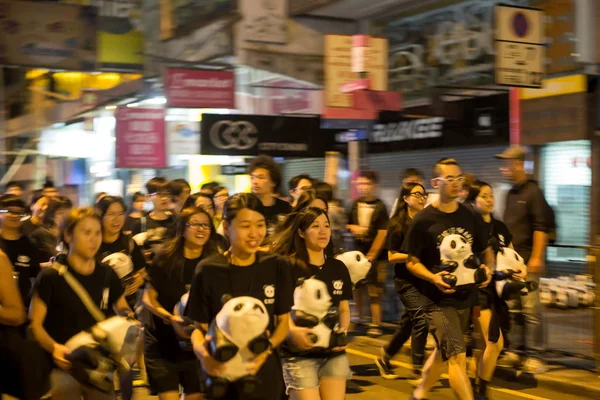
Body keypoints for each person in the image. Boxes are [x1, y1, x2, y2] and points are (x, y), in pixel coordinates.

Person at [187, 193, 293, 400]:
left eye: (260, 224)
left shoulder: (276, 265)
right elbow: (197, 327)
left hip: (263, 373)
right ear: (227, 227)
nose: (254, 233)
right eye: (245, 226)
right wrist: (204, 356)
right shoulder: (208, 269)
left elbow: (283, 323)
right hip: (221, 372)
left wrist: (266, 350)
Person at [404, 158, 492, 400]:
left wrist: (488, 269)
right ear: (436, 182)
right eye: (449, 179)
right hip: (436, 300)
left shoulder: (470, 215)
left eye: (459, 178)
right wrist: (433, 277)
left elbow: (486, 251)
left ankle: (419, 393)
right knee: (457, 356)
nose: (456, 183)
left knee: (443, 353)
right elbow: (411, 261)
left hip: (466, 297)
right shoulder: (423, 220)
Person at [29, 207, 133, 399]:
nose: (94, 239)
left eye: (97, 232)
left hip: (100, 369)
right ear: (68, 236)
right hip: (62, 367)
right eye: (86, 232)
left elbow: (122, 307)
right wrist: (55, 348)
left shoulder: (107, 274)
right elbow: (34, 324)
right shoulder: (51, 277)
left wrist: (129, 323)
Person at [273, 207, 352, 400]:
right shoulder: (287, 266)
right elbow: (278, 311)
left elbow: (343, 309)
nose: (323, 231)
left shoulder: (338, 267)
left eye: (326, 225)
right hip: (298, 354)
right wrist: (292, 332)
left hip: (332, 354)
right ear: (301, 232)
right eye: (315, 226)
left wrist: (341, 333)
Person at [143, 206, 220, 400]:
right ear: (182, 228)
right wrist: (169, 317)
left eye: (206, 225)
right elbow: (148, 297)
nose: (201, 229)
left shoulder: (214, 263)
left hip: (197, 343)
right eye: (195, 224)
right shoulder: (165, 259)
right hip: (162, 342)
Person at [495, 146, 549, 373]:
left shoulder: (533, 192)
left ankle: (537, 356)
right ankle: (517, 351)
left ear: (518, 164)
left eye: (506, 163)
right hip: (512, 263)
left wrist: (537, 256)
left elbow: (540, 227)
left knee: (531, 310)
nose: (503, 167)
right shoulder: (510, 193)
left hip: (528, 261)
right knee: (514, 308)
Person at [466, 180, 517, 398]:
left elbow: (512, 258)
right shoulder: (468, 230)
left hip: (497, 292)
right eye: (484, 196)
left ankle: (471, 382)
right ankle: (481, 391)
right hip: (476, 295)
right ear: (473, 200)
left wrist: (517, 272)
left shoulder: (500, 227)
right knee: (494, 342)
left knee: (482, 342)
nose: (489, 199)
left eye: (491, 195)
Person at [375, 183, 428, 380]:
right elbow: (391, 256)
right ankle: (418, 367)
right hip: (405, 281)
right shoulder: (397, 223)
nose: (422, 198)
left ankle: (385, 356)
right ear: (405, 198)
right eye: (417, 194)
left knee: (409, 323)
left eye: (424, 194)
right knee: (421, 319)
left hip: (424, 279)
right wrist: (412, 256)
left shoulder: (425, 222)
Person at [347, 171, 389, 337]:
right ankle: (357, 318)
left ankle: (376, 323)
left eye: (366, 184)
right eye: (360, 184)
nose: (363, 187)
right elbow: (347, 224)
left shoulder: (381, 206)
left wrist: (372, 255)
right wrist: (353, 228)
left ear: (374, 186)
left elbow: (382, 233)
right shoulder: (355, 204)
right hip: (358, 253)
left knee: (375, 289)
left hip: (377, 257)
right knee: (357, 287)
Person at [96, 196, 147, 308]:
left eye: (120, 213)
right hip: (101, 307)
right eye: (111, 214)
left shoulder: (129, 242)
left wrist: (139, 278)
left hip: (129, 306)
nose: (117, 219)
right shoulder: (93, 245)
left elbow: (143, 271)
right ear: (100, 217)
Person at [0, 195, 41, 306]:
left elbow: (34, 275)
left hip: (22, 306)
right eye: (10, 211)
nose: (15, 216)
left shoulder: (29, 244)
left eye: (19, 213)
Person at [130, 178, 176, 262]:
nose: (165, 198)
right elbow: (133, 253)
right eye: (160, 194)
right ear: (148, 197)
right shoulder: (140, 223)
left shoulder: (176, 221)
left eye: (168, 194)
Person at [248, 155, 292, 241]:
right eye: (252, 177)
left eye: (260, 177)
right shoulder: (246, 206)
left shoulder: (285, 208)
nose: (255, 182)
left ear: (273, 182)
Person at [31, 196, 73, 263]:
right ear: (52, 214)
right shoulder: (40, 235)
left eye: (68, 213)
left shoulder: (70, 235)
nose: (64, 217)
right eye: (61, 213)